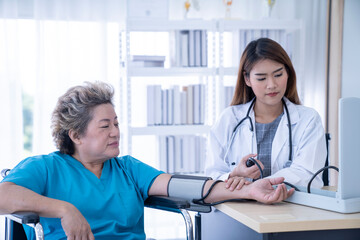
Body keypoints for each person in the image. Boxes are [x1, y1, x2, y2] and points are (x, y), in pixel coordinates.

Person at [0, 81, 293, 240]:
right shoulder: (45, 168)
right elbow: (3, 195)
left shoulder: (127, 168)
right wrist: (64, 209)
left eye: (116, 123)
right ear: (76, 135)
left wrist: (246, 190)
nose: (116, 132)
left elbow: (181, 186)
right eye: (105, 126)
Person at [205, 38, 327, 189]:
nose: (272, 85)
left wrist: (263, 185)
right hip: (237, 209)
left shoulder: (308, 120)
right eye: (261, 78)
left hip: (289, 208)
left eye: (278, 75)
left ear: (288, 73)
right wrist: (234, 174)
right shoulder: (230, 119)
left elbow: (309, 175)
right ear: (247, 79)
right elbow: (211, 175)